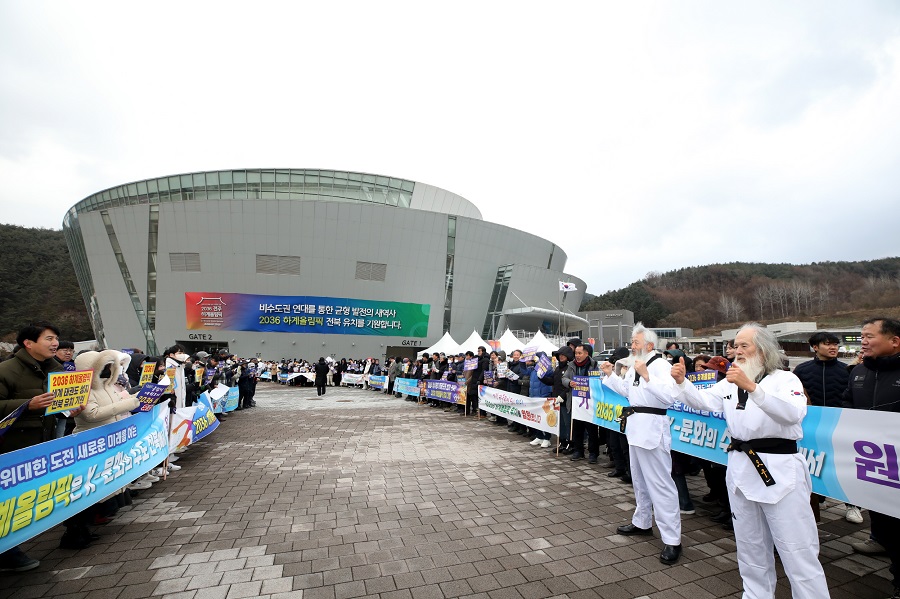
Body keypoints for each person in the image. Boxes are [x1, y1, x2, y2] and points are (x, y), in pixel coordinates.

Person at [666, 323, 830, 598]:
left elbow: (792, 414)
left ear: (763, 350)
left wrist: (752, 387)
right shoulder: (730, 381)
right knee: (750, 547)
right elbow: (705, 401)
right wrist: (683, 382)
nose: (737, 351)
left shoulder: (785, 380)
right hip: (742, 470)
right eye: (735, 345)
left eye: (745, 345)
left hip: (778, 471)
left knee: (796, 549)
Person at [600, 323, 682, 565]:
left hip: (653, 426)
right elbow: (627, 390)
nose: (631, 346)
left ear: (648, 345)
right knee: (639, 479)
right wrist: (610, 374)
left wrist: (646, 375)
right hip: (636, 426)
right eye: (632, 342)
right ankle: (642, 521)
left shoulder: (660, 366)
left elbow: (669, 396)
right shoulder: (638, 364)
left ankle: (672, 538)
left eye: (635, 343)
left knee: (660, 483)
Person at [838, 317, 900, 599]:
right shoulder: (859, 373)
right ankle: (881, 540)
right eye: (861, 336)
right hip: (872, 462)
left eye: (868, 336)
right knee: (879, 509)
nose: (862, 341)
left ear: (894, 341)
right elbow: (846, 403)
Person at [0, 323, 64, 571]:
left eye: (56, 338)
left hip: (42, 441)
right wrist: (28, 404)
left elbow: (55, 404)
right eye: (49, 338)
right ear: (28, 343)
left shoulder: (55, 369)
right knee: (10, 499)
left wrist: (71, 409)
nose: (55, 343)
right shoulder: (7, 370)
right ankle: (8, 553)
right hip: (14, 446)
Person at [793, 331, 857, 523]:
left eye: (835, 344)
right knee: (813, 462)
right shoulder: (802, 371)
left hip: (839, 425)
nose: (833, 348)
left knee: (843, 465)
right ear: (815, 347)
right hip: (810, 425)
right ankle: (815, 499)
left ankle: (852, 504)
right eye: (828, 344)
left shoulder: (846, 370)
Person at [564, 343, 601, 463]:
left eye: (580, 353)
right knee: (577, 429)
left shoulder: (594, 365)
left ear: (586, 354)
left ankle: (593, 453)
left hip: (590, 403)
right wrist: (569, 382)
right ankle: (578, 451)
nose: (577, 356)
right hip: (576, 402)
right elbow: (564, 378)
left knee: (592, 430)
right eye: (576, 353)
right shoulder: (571, 365)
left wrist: (592, 384)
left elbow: (599, 380)